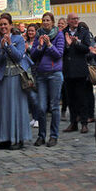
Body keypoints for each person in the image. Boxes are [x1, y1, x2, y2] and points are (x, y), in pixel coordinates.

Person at [0, 14, 31, 150]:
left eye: (5, 24)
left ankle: (19, 138)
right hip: (3, 78)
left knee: (18, 107)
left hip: (17, 77)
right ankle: (5, 138)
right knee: (5, 108)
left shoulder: (18, 38)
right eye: (1, 24)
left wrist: (9, 45)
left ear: (11, 25)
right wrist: (2, 48)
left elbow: (19, 56)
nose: (3, 27)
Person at [30, 12, 64, 147]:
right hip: (41, 74)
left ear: (52, 22)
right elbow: (33, 55)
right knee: (41, 107)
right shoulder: (38, 35)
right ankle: (41, 136)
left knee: (55, 106)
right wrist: (39, 46)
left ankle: (54, 136)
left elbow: (58, 54)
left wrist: (49, 44)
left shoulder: (59, 34)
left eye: (48, 20)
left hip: (54, 73)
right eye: (43, 20)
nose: (45, 22)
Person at [62, 13, 95, 133]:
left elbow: (87, 49)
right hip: (68, 70)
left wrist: (76, 43)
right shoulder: (63, 32)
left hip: (80, 70)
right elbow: (61, 50)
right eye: (73, 19)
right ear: (68, 21)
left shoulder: (83, 31)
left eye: (77, 19)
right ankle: (73, 122)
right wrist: (67, 44)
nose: (76, 21)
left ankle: (84, 123)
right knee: (71, 98)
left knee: (82, 98)